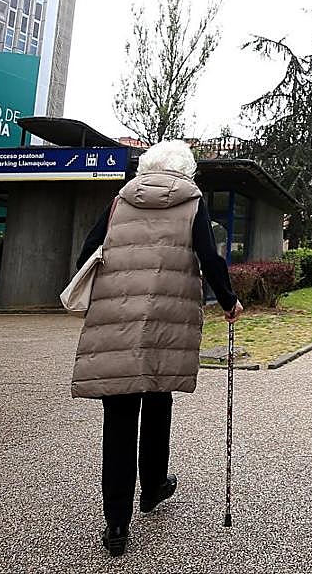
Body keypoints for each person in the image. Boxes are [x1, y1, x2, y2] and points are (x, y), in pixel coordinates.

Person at [71, 140, 243, 557]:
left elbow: (86, 255)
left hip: (117, 319)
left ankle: (116, 523)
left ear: (146, 168)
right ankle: (152, 487)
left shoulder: (119, 202)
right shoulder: (192, 202)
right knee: (158, 395)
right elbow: (209, 257)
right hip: (166, 319)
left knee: (118, 414)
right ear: (185, 171)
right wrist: (229, 300)